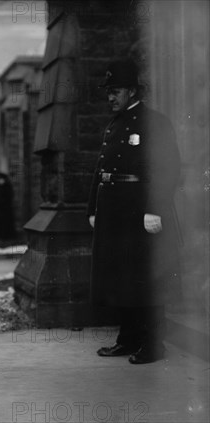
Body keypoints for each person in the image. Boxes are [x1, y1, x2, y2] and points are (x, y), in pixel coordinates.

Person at [87, 59, 181, 365]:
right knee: (122, 278)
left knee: (144, 278)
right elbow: (101, 168)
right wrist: (93, 207)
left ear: (131, 90)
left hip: (139, 210)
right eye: (108, 91)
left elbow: (168, 168)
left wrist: (154, 208)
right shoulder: (116, 123)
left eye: (115, 91)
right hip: (115, 211)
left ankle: (154, 345)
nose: (110, 97)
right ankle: (127, 339)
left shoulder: (154, 122)